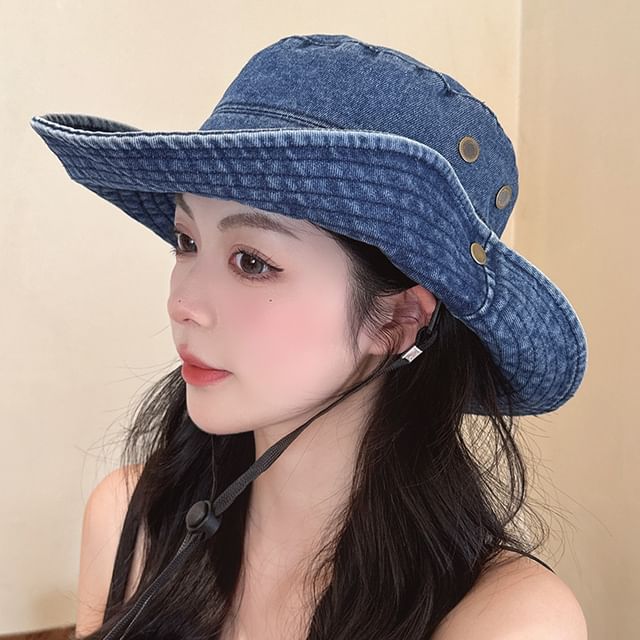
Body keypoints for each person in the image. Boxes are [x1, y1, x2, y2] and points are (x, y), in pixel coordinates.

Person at [31, 33, 589, 640]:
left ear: (398, 319)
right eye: (187, 242)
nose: (182, 304)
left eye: (251, 261)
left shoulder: (508, 619)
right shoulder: (129, 524)